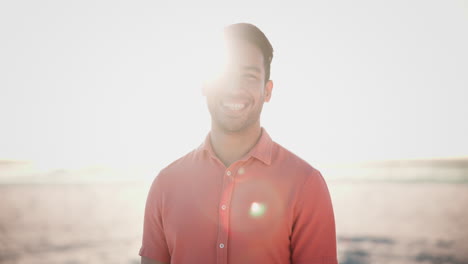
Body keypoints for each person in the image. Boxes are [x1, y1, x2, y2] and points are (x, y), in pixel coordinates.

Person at [140, 23, 337, 264]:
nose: (234, 88)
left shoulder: (306, 184)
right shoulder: (165, 185)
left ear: (267, 91)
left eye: (249, 76)